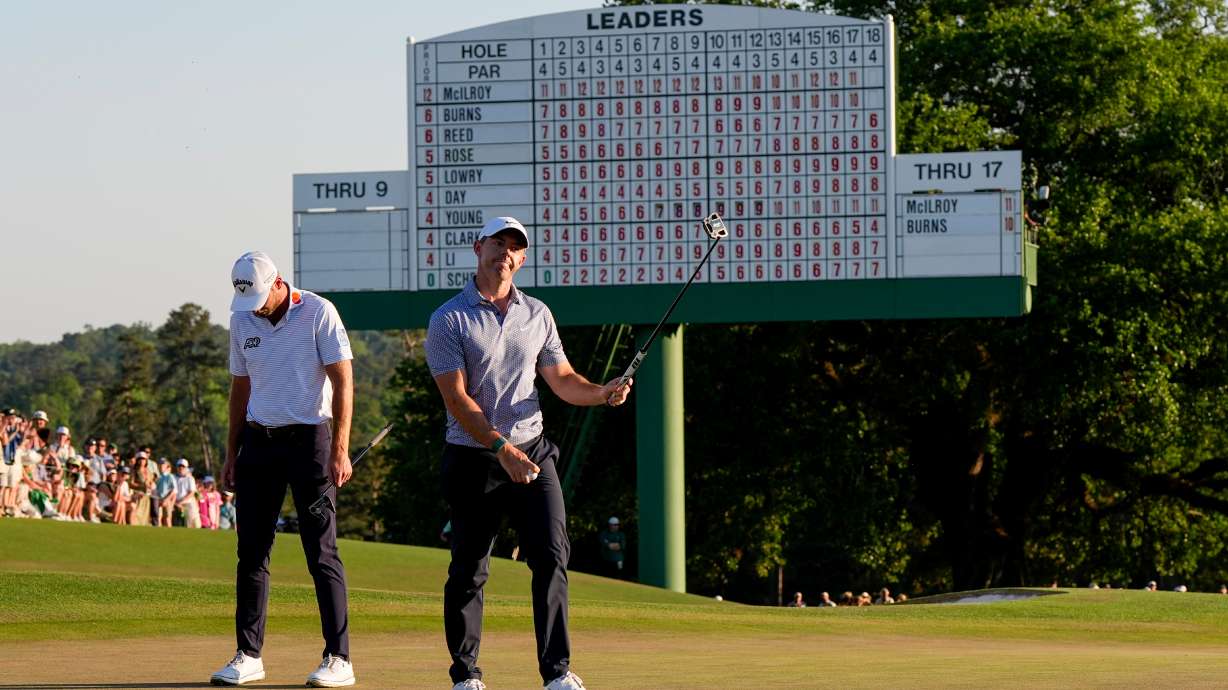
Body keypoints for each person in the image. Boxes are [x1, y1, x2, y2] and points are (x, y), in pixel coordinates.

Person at [425, 217, 632, 690]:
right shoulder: (448, 318)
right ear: (478, 248)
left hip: (534, 450)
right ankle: (465, 675)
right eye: (498, 243)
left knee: (552, 555)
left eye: (515, 247)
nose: (506, 253)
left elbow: (562, 379)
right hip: (474, 455)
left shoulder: (537, 313)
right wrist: (500, 448)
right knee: (470, 568)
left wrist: (602, 392)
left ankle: (557, 672)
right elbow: (457, 400)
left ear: (523, 258)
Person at [212, 250, 356, 688]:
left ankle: (339, 657)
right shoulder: (242, 320)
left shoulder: (318, 312)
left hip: (311, 440)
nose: (254, 307)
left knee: (321, 552)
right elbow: (241, 387)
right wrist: (230, 450)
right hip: (259, 442)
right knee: (251, 552)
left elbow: (343, 379)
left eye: (259, 297)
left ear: (278, 284)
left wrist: (341, 448)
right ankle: (248, 654)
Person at [174, 459, 201, 528]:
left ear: (186, 468)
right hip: (176, 504)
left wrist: (181, 502)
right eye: (179, 466)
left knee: (191, 524)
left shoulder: (190, 478)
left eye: (183, 466)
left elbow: (191, 493)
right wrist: (176, 503)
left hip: (188, 504)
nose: (181, 468)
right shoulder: (174, 477)